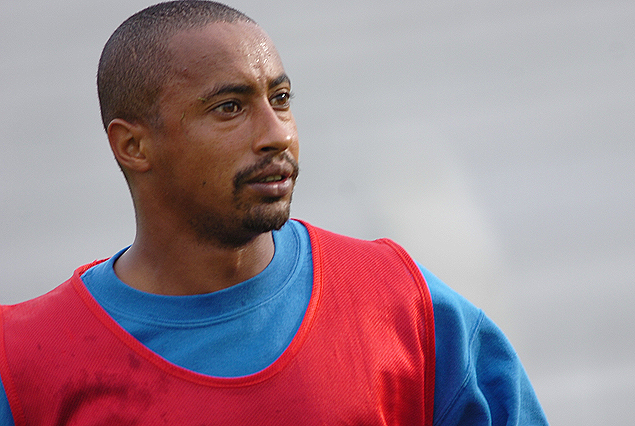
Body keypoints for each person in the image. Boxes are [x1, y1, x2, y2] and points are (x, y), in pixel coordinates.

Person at [0, 1, 549, 424]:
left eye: (280, 99)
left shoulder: (404, 307)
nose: (277, 134)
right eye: (230, 107)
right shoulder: (23, 365)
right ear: (133, 146)